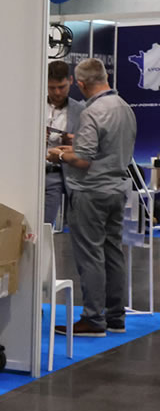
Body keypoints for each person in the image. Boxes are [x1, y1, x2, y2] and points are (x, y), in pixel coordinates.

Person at [48, 58, 136, 336]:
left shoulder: (91, 111)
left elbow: (83, 160)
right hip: (117, 190)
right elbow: (110, 147)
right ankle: (115, 317)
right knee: (113, 254)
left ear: (81, 84)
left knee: (90, 257)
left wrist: (59, 154)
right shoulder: (124, 107)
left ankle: (93, 320)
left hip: (91, 193)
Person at [44, 60, 85, 228]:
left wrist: (75, 142)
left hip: (57, 175)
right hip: (28, 173)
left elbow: (89, 147)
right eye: (52, 88)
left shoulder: (80, 111)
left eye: (61, 87)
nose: (57, 92)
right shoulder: (32, 106)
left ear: (71, 81)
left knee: (45, 226)